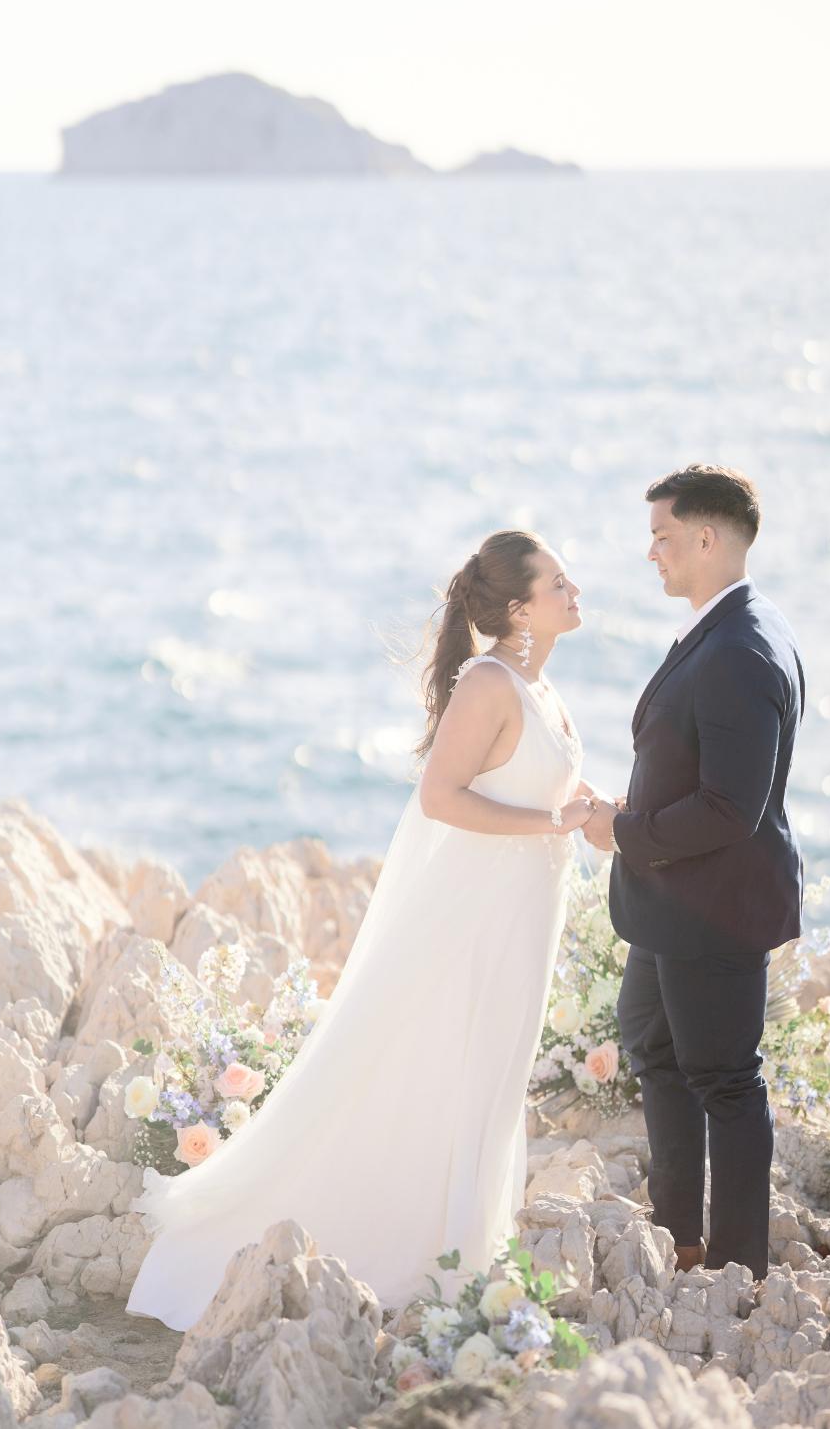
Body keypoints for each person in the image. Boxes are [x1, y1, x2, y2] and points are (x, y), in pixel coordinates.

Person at [125, 529, 599, 1332]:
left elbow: (544, 788)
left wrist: (598, 815)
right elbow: (440, 798)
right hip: (475, 918)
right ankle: (411, 1258)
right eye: (559, 581)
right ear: (518, 608)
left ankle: (468, 1250)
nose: (575, 589)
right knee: (438, 1072)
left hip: (524, 915)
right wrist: (557, 820)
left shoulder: (540, 688)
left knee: (493, 1070)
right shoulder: (488, 682)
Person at [581, 464, 805, 1283]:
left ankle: (739, 1265)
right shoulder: (732, 623)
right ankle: (677, 1230)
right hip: (669, 903)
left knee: (726, 1081)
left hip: (713, 910)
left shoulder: (741, 650)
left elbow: (728, 808)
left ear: (707, 538)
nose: (652, 554)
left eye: (663, 537)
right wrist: (628, 814)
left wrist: (623, 830)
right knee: (651, 1042)